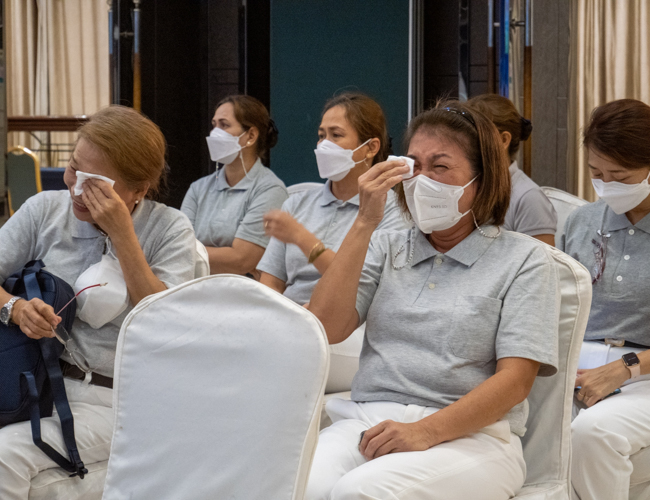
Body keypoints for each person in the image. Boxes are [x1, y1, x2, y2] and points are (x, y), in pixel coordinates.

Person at [305, 100, 560, 500]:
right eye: (414, 166)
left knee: (361, 492)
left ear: (483, 178)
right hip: (367, 419)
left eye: (440, 167)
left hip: (475, 437)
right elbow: (328, 327)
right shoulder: (386, 244)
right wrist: (364, 222)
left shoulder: (525, 259)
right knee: (296, 485)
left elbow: (515, 382)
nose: (422, 180)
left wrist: (424, 431)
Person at [0, 106, 197, 498]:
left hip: (115, 398)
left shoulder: (169, 229)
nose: (76, 189)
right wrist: (15, 307)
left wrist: (123, 232)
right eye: (73, 169)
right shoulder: (45, 211)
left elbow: (165, 323)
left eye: (95, 183)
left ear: (139, 189)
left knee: (4, 455)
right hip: (35, 380)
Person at [258, 93, 407, 394]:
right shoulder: (297, 204)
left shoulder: (392, 209)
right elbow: (270, 282)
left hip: (347, 329)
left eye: (336, 135)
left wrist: (302, 237)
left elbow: (361, 283)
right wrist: (272, 317)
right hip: (287, 321)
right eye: (321, 135)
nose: (324, 144)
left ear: (371, 147)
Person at [560, 99, 650, 500]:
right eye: (596, 173)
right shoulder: (580, 222)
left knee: (594, 431)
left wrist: (626, 368)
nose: (606, 186)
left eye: (620, 176)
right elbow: (557, 309)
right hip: (578, 369)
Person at [181, 95, 288, 275]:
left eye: (224, 125)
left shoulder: (270, 189)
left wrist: (191, 252)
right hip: (196, 288)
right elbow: (175, 246)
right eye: (214, 125)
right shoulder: (198, 188)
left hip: (242, 294)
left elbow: (241, 261)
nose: (215, 133)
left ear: (251, 136)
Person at [468, 94, 557, 245]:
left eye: (475, 136)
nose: (466, 145)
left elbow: (543, 265)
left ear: (503, 140)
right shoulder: (466, 187)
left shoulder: (528, 197)